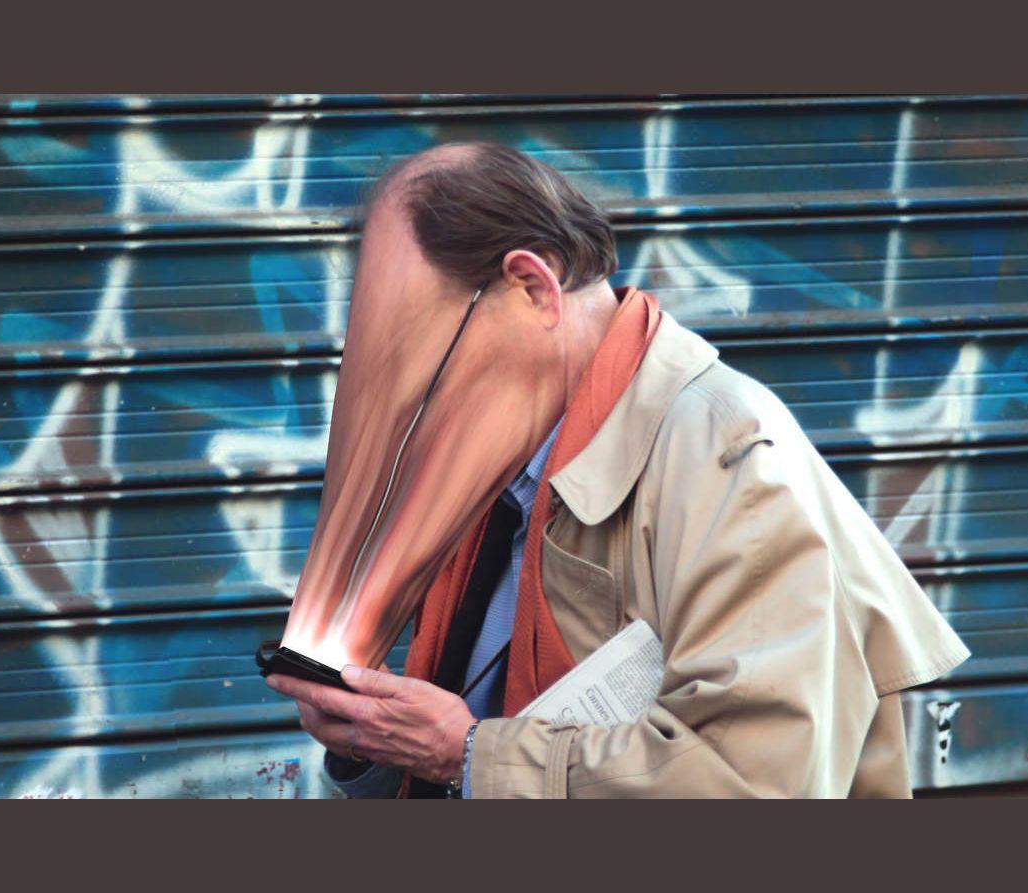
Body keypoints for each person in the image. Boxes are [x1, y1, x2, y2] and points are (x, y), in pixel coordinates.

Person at [265, 142, 970, 798]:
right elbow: (468, 725)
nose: (418, 392)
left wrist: (468, 754)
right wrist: (376, 740)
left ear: (533, 287)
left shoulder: (732, 457)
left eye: (428, 350)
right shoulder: (501, 466)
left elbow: (752, 780)